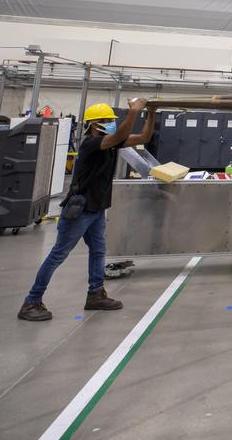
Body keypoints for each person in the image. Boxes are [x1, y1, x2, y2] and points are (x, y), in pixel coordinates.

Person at [17, 98, 155, 322]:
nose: (109, 123)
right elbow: (119, 136)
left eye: (111, 120)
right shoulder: (91, 143)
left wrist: (151, 113)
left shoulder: (111, 143)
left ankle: (95, 294)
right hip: (80, 210)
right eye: (105, 120)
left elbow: (144, 137)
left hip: (97, 208)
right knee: (58, 255)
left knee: (99, 251)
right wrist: (134, 112)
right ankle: (31, 301)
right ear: (92, 124)